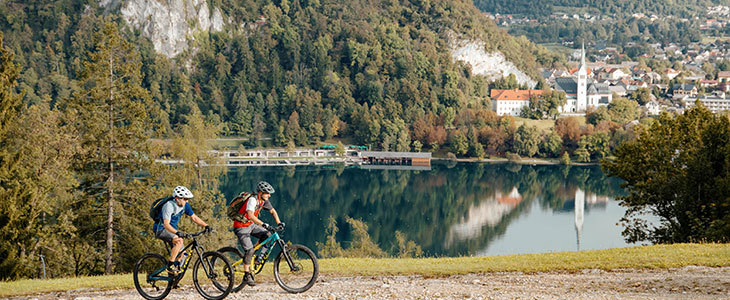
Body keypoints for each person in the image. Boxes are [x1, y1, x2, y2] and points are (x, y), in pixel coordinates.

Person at [233, 181, 284, 286]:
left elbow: (273, 211)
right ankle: (246, 275)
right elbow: (250, 215)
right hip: (241, 227)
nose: (269, 195)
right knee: (249, 250)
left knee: (268, 236)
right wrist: (263, 224)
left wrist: (279, 222)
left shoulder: (264, 200)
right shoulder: (252, 200)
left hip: (251, 225)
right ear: (260, 193)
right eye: (267, 193)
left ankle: (257, 258)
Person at [153, 186, 211, 274]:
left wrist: (206, 225)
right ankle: (170, 265)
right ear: (177, 198)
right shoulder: (168, 206)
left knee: (183, 254)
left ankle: (174, 279)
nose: (187, 201)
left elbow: (194, 217)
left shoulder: (185, 205)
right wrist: (178, 233)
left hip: (172, 230)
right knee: (179, 241)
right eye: (185, 199)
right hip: (161, 229)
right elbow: (166, 224)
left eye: (187, 199)